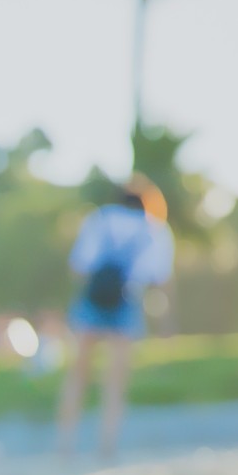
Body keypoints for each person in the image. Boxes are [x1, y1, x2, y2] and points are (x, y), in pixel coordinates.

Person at [56, 176, 174, 460]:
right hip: (125, 301)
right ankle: (106, 446)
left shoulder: (100, 219)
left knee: (79, 374)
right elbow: (158, 277)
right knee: (115, 379)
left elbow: (79, 267)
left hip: (92, 300)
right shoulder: (154, 229)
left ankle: (65, 444)